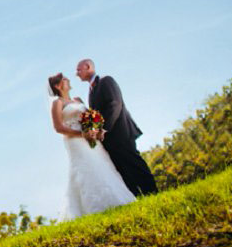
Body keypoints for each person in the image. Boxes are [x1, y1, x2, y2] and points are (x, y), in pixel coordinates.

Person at [48, 72, 135, 219]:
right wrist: (81, 134)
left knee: (102, 164)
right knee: (85, 168)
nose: (68, 79)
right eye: (64, 79)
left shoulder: (78, 100)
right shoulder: (58, 103)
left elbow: (91, 117)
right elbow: (58, 128)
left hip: (90, 139)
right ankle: (91, 207)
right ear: (57, 86)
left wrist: (94, 128)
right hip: (75, 140)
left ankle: (116, 199)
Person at [75, 59, 158, 197]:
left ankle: (154, 194)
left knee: (134, 164)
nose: (76, 74)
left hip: (121, 133)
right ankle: (138, 198)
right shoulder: (90, 93)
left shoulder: (106, 81)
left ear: (88, 66)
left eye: (78, 70)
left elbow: (115, 104)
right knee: (122, 171)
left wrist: (104, 129)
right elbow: (96, 115)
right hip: (108, 140)